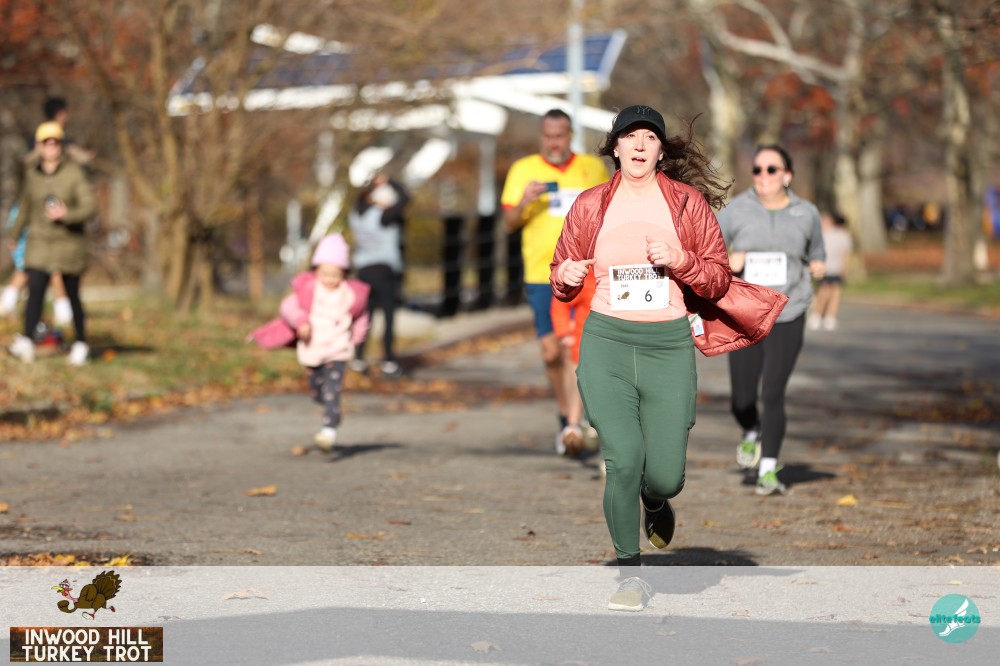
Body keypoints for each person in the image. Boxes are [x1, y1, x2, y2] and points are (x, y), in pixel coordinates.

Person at [551, 104, 745, 611]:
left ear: (661, 150)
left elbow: (718, 278)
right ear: (614, 147)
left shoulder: (686, 204)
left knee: (665, 475)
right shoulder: (590, 205)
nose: (639, 145)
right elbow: (561, 270)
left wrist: (681, 260)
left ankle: (654, 500)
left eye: (650, 137)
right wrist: (565, 276)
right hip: (607, 342)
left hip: (668, 346)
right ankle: (630, 574)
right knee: (622, 460)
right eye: (629, 136)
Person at [716, 144, 826, 495]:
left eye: (771, 169)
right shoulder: (736, 210)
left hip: (788, 311)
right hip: (745, 313)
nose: (763, 175)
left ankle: (768, 469)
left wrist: (819, 266)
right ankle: (751, 429)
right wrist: (729, 261)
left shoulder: (806, 213)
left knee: (773, 391)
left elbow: (817, 252)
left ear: (787, 176)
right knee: (742, 399)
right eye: (757, 169)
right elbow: (710, 253)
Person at [501, 108, 610, 453]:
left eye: (559, 136)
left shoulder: (592, 168)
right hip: (541, 274)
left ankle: (575, 424)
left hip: (585, 272)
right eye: (547, 137)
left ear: (570, 136)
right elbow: (508, 224)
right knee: (551, 352)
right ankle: (566, 418)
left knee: (578, 350)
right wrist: (525, 201)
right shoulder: (524, 169)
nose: (553, 143)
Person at [7, 121, 96, 365]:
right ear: (38, 146)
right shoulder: (32, 175)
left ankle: (81, 342)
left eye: (55, 142)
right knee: (35, 287)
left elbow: (89, 206)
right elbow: (25, 206)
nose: (51, 147)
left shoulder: (73, 174)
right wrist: (14, 234)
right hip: (39, 242)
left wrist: (67, 214)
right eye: (46, 143)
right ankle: (27, 340)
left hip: (68, 243)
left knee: (72, 293)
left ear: (61, 146)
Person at [274, 234, 371, 450]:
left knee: (332, 389)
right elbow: (288, 307)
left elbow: (362, 318)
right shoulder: (309, 289)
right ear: (316, 271)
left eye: (335, 274)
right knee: (317, 391)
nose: (329, 279)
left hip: (338, 350)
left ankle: (328, 431)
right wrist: (301, 322)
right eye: (324, 273)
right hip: (313, 348)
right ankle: (332, 411)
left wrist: (356, 340)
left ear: (344, 273)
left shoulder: (350, 294)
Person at [347, 173, 409, 379]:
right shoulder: (384, 216)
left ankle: (359, 359)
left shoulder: (356, 215)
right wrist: (389, 180)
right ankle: (389, 361)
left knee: (365, 316)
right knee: (389, 317)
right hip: (384, 270)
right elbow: (406, 198)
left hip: (363, 270)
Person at [549, 270, 596, 457]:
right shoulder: (589, 274)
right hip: (585, 342)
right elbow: (561, 302)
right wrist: (564, 333)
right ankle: (573, 424)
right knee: (574, 365)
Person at [809, 211, 852, 331]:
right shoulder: (841, 234)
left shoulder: (829, 235)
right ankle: (824, 316)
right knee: (829, 292)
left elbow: (845, 254)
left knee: (831, 293)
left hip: (831, 267)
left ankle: (824, 316)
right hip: (828, 268)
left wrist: (844, 268)